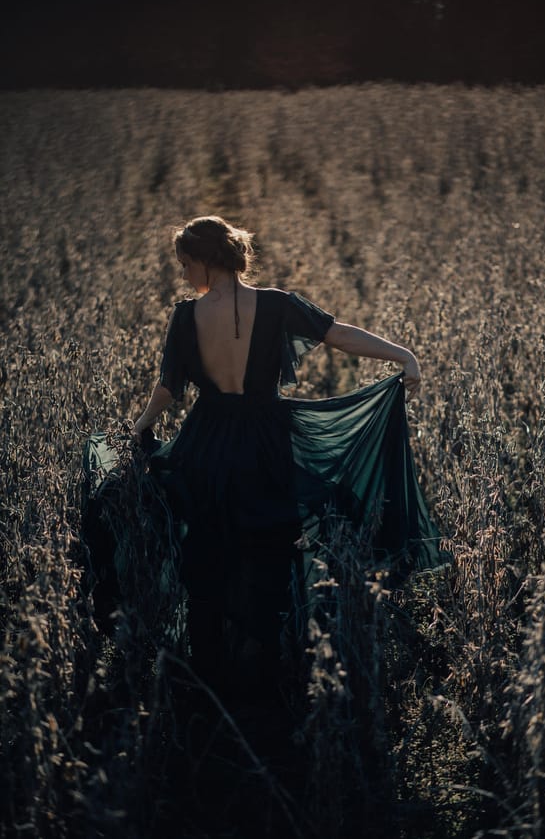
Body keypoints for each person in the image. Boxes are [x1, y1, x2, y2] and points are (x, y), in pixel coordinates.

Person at [89, 215, 450, 694]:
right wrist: (403, 354)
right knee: (268, 550)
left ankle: (209, 670)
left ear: (202, 260)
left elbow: (167, 390)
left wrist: (135, 432)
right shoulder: (278, 305)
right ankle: (266, 670)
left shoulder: (186, 315)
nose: (182, 274)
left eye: (184, 264)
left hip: (207, 443)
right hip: (267, 441)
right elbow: (338, 333)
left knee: (206, 551)